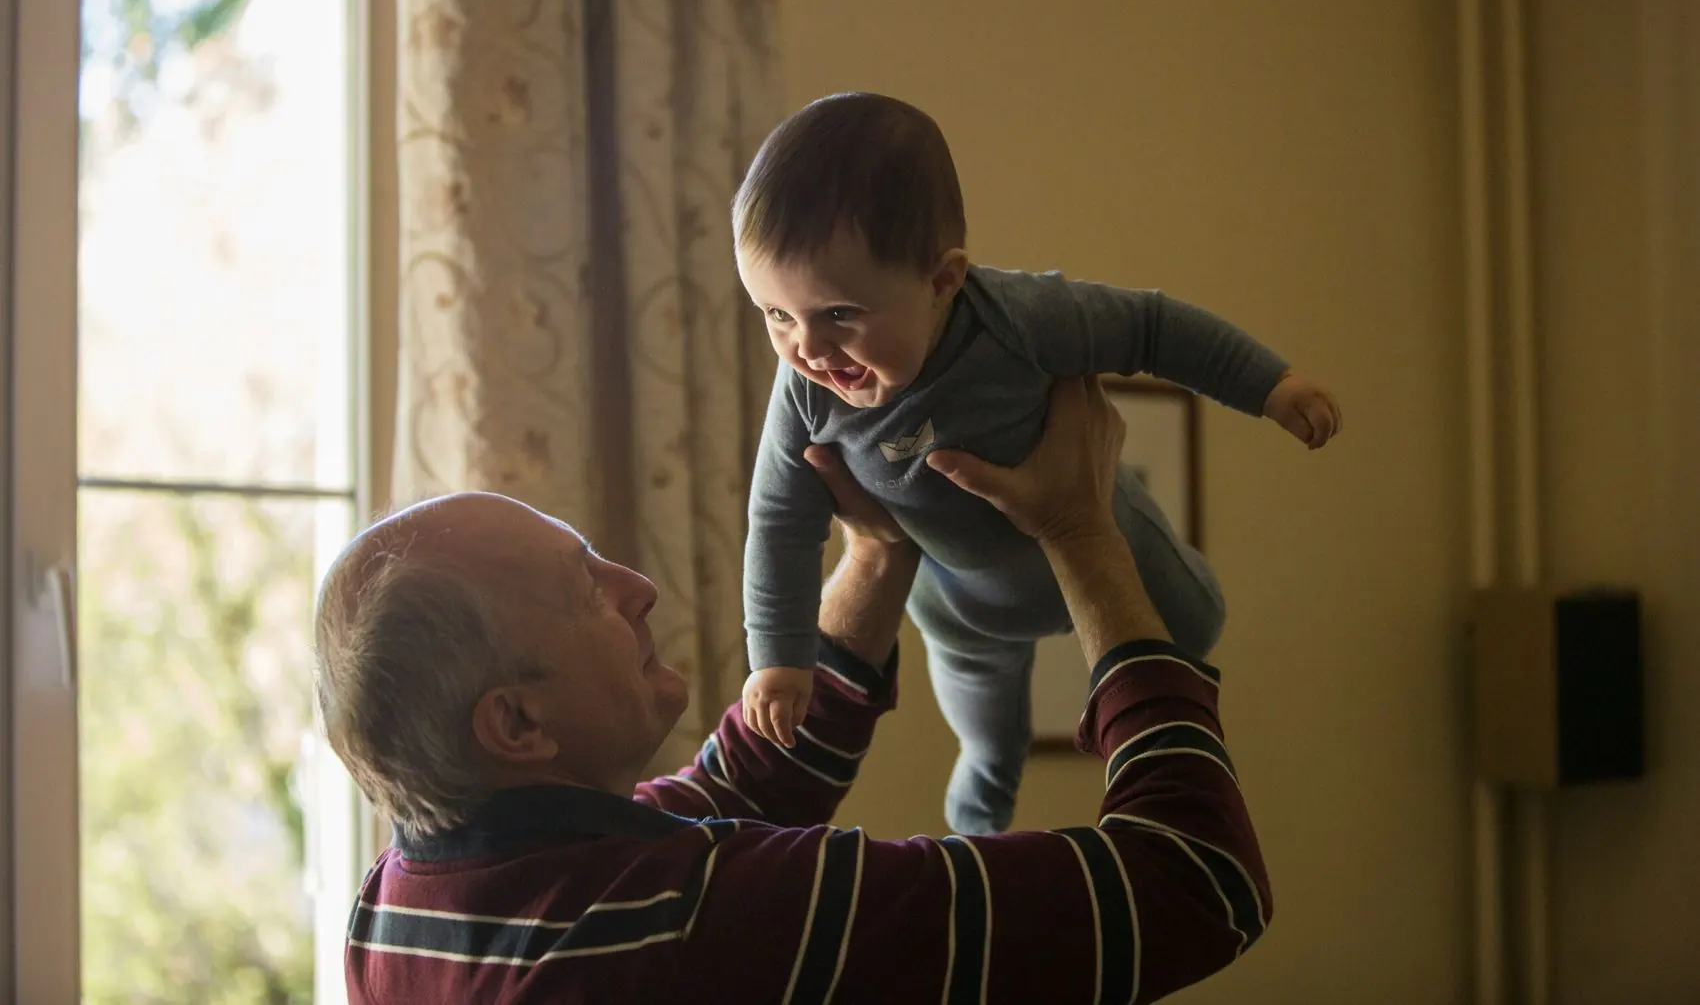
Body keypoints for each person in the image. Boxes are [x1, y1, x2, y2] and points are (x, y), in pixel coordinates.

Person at [316, 376, 1273, 1004]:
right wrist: (1082, 534)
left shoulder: (400, 907)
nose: (637, 589)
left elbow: (738, 787)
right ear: (516, 723)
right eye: (587, 590)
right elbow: (1196, 882)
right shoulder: (702, 923)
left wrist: (879, 549)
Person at [736, 91, 1342, 833]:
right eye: (775, 314)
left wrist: (1271, 385)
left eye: (839, 314)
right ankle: (978, 831)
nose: (807, 349)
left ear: (942, 281)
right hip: (963, 606)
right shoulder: (804, 392)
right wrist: (778, 658)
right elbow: (779, 521)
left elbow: (1152, 327)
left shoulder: (1020, 319)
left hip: (1102, 532)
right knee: (989, 739)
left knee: (1196, 624)